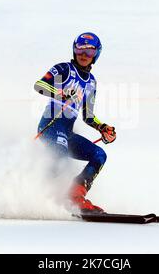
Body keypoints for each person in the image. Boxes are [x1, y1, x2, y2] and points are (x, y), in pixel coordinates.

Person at [34, 32, 116, 213]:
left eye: (90, 51)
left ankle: (75, 195)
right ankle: (42, 195)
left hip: (66, 132)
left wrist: (103, 128)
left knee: (99, 155)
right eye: (80, 49)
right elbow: (40, 85)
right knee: (61, 157)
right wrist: (61, 93)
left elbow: (88, 116)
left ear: (97, 54)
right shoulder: (64, 69)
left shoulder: (91, 83)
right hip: (50, 126)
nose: (84, 54)